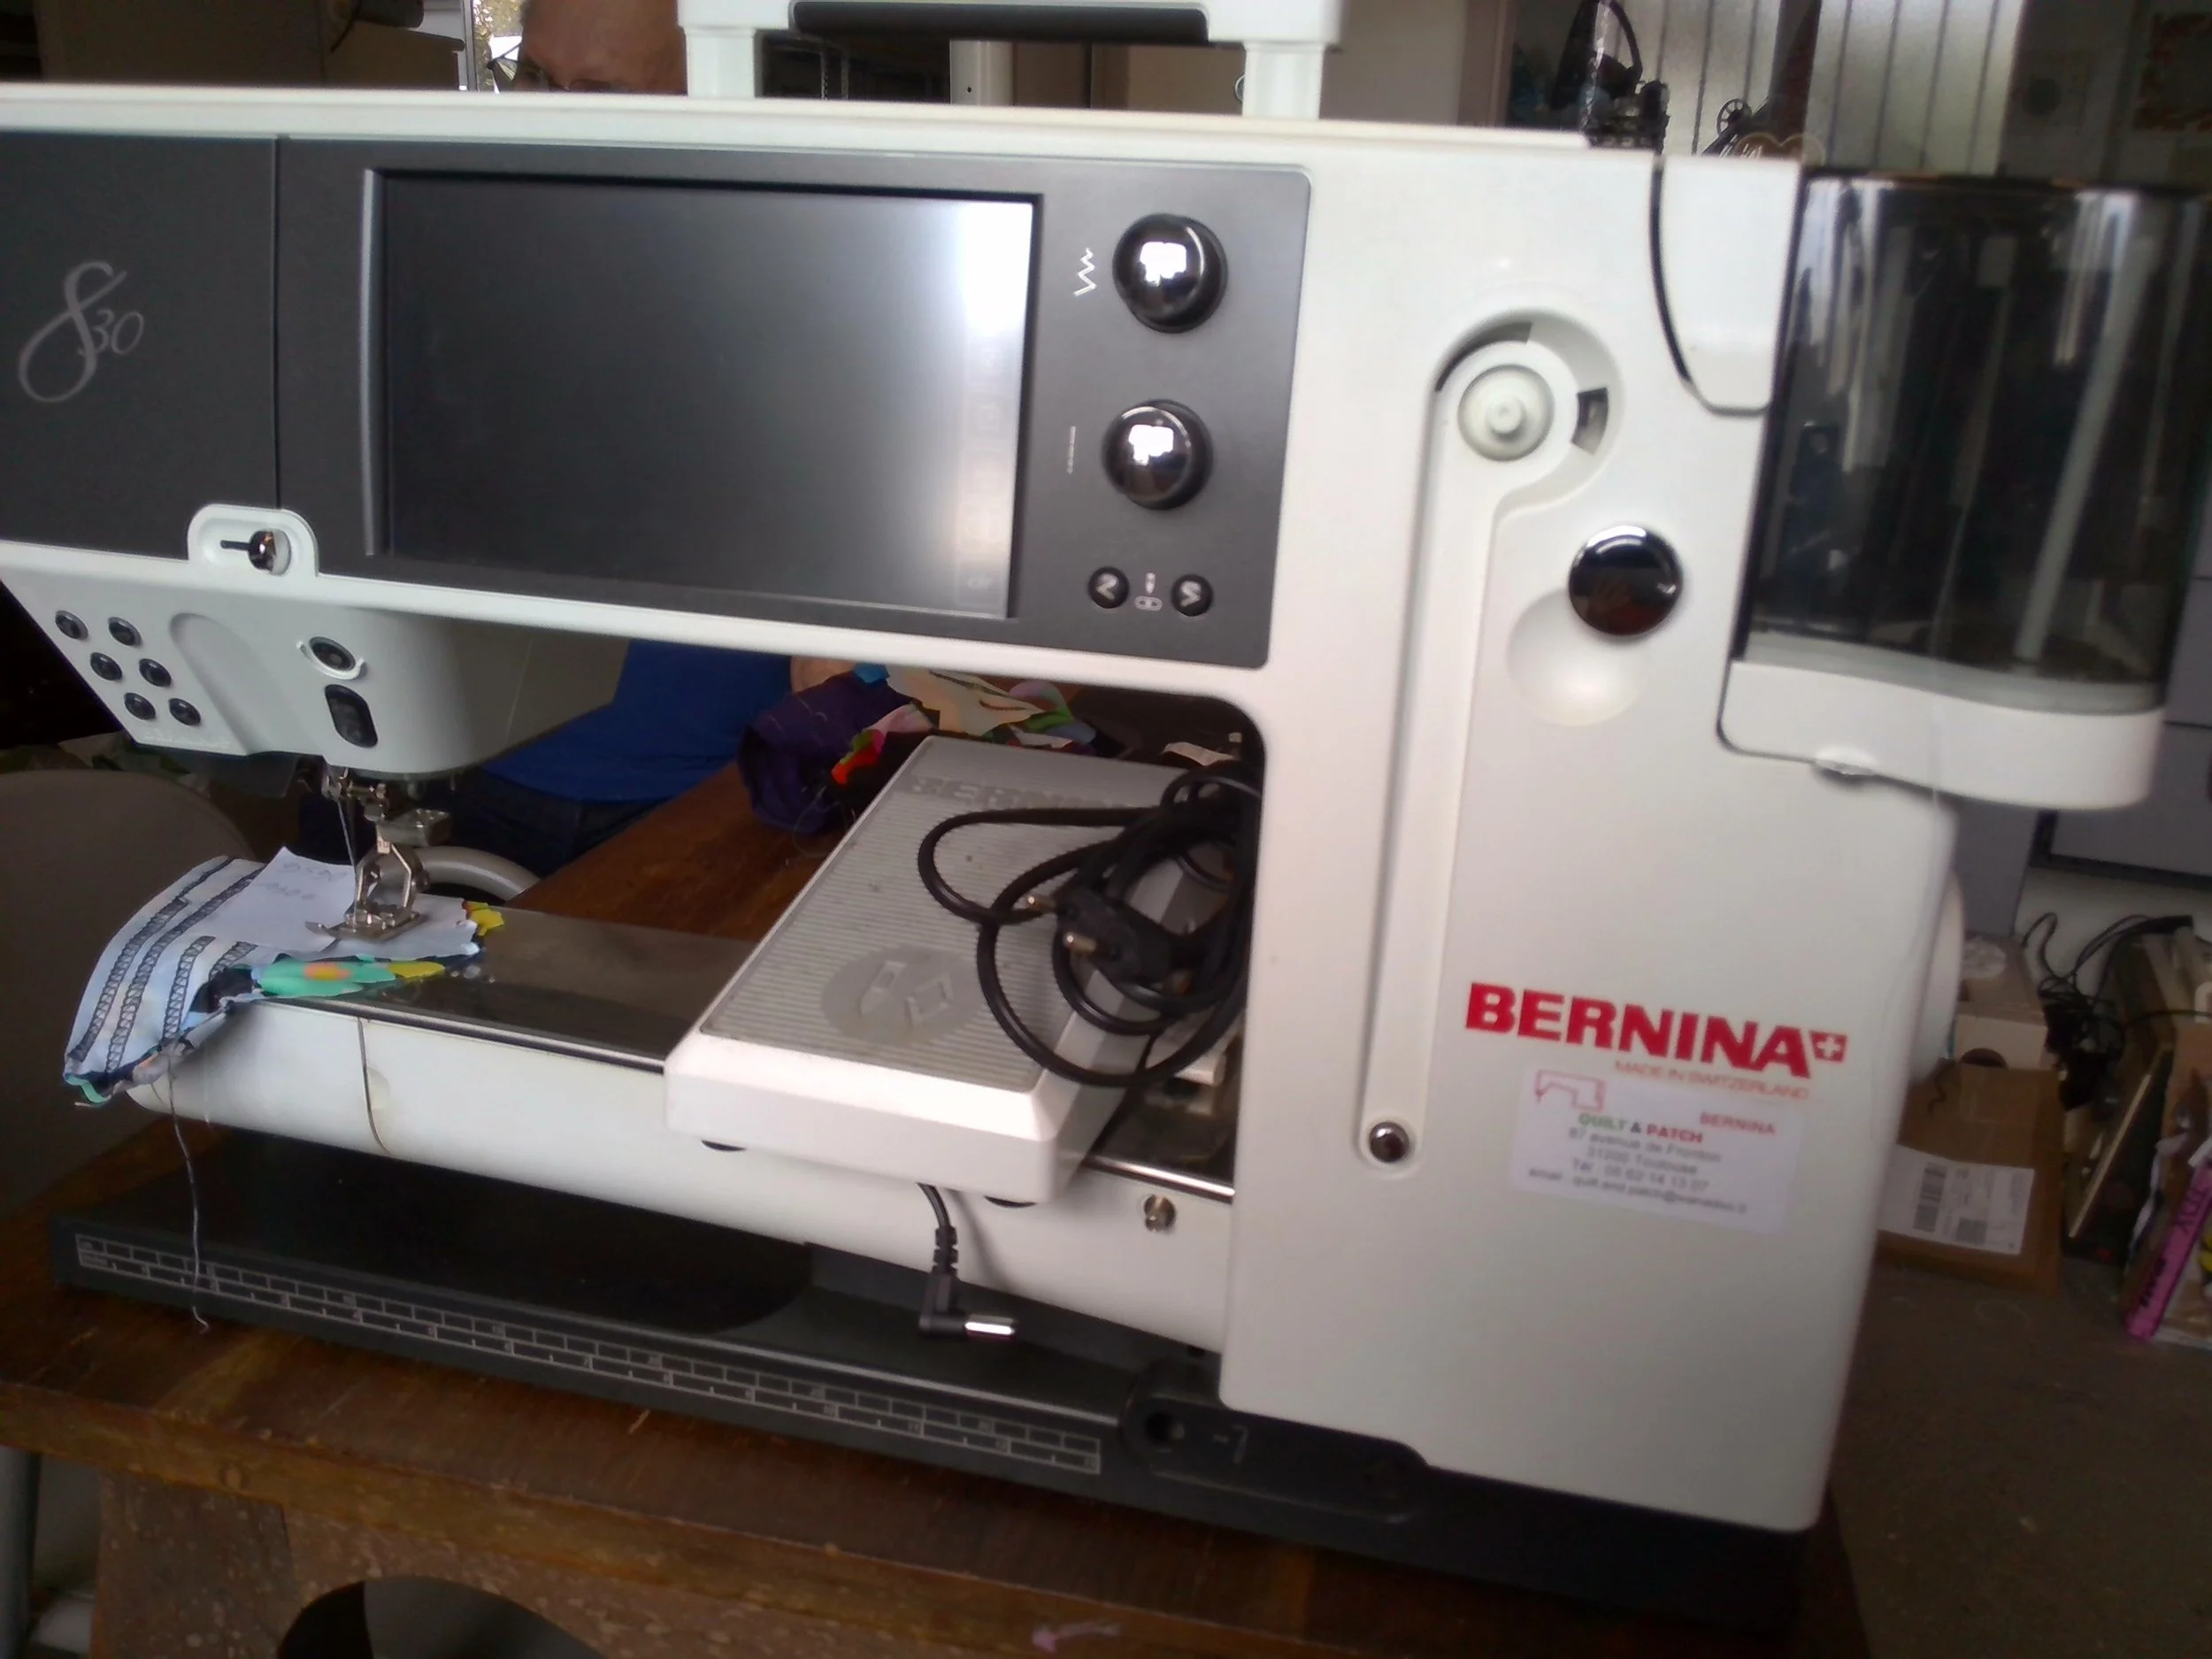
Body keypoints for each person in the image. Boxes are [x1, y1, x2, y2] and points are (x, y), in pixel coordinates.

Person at [434, 0, 796, 874]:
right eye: (535, 78)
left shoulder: (797, 276)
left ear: (713, 88)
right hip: (463, 776)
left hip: (711, 798)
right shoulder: (444, 253)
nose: (553, 120)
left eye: (600, 91)